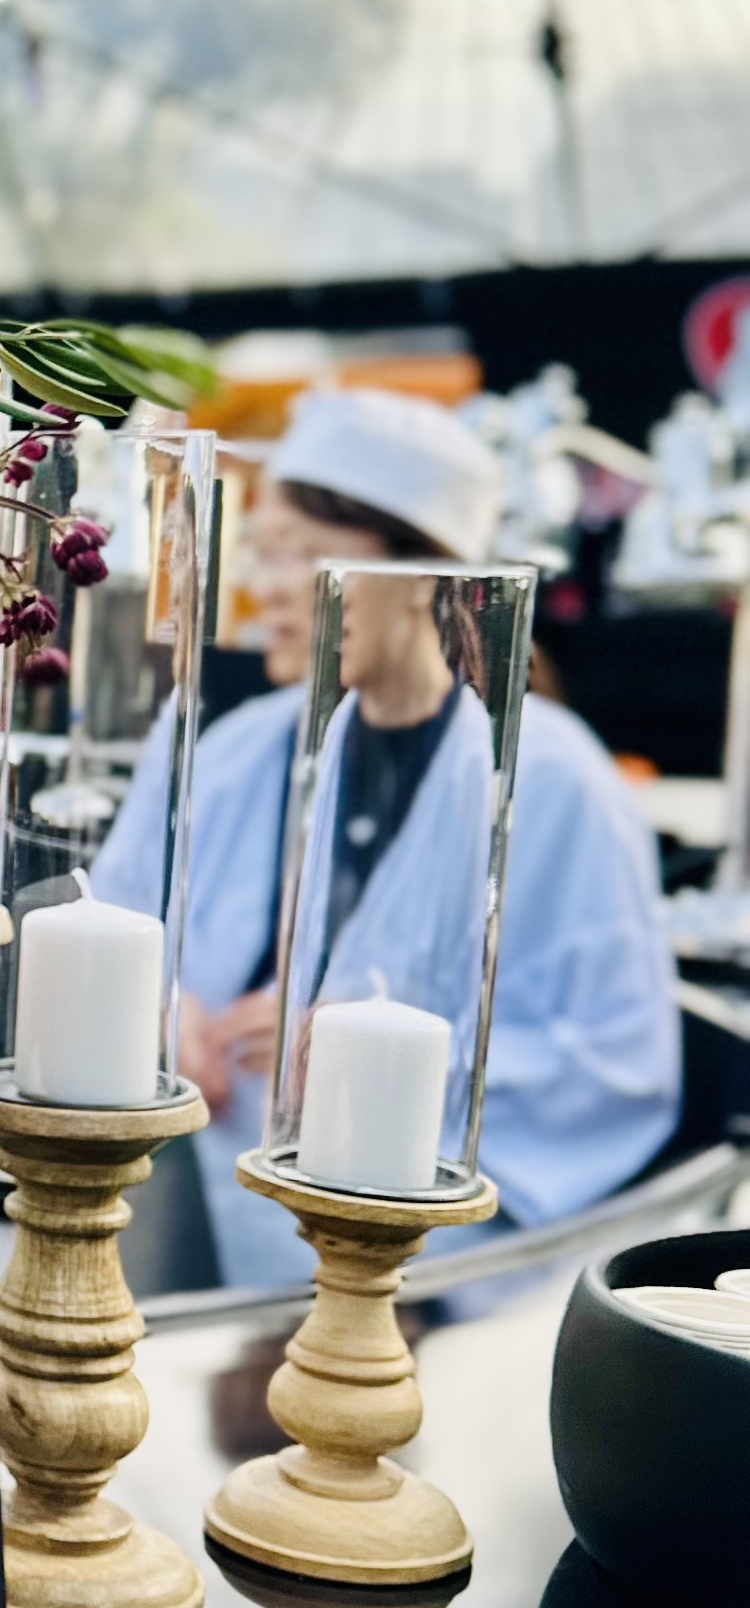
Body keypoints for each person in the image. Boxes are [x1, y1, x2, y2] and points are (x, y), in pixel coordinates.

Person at [91, 387, 680, 1287]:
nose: (270, 587)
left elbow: (619, 1064)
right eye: (261, 553)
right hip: (199, 1222)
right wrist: (164, 1013)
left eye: (300, 555)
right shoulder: (236, 747)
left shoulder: (551, 781)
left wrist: (384, 1059)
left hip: (429, 1273)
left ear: (420, 576)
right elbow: (114, 925)